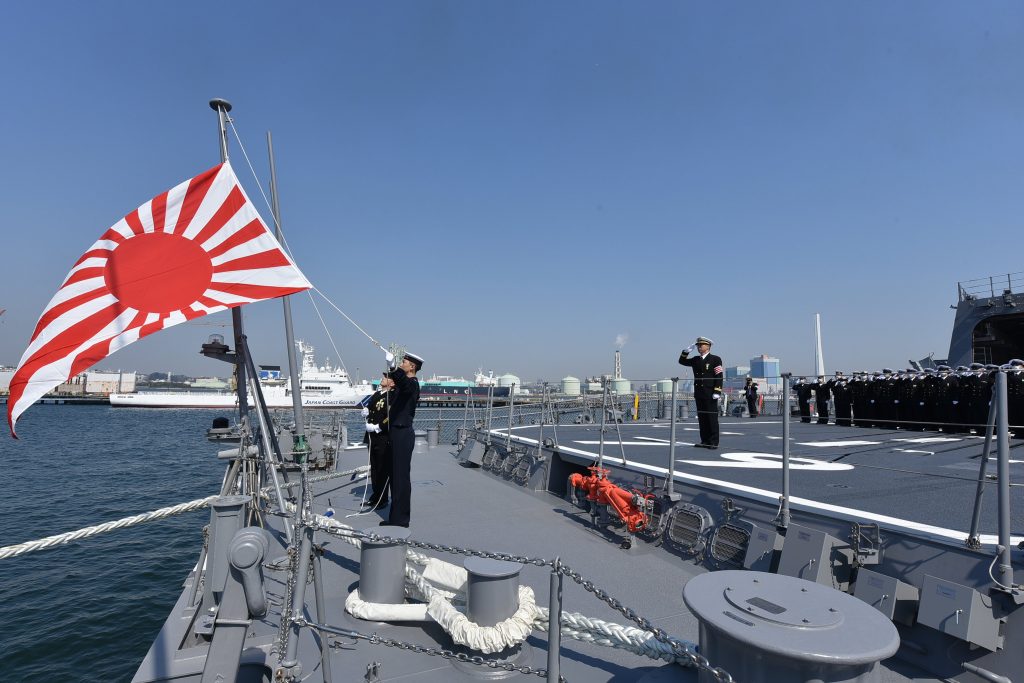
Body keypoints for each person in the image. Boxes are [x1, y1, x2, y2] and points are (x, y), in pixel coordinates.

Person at [380, 350, 423, 527]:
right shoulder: (404, 383)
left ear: (412, 367)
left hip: (403, 433)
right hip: (396, 433)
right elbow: (398, 383)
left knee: (400, 478)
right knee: (395, 476)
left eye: (403, 362)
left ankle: (400, 520)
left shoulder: (412, 384)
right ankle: (396, 517)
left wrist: (392, 367)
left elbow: (404, 384)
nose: (401, 364)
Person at [678, 336, 723, 448]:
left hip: (710, 393)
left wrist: (717, 390)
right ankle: (704, 440)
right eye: (698, 345)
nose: (699, 347)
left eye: (701, 345)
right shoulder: (695, 360)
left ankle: (713, 442)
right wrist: (685, 352)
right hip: (699, 393)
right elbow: (682, 361)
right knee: (702, 418)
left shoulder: (715, 359)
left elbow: (719, 376)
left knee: (711, 418)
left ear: (708, 346)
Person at [361, 375, 393, 511]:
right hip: (371, 436)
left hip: (383, 437)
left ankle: (383, 498)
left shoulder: (391, 396)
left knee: (382, 468)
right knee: (374, 467)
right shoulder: (376, 394)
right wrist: (366, 412)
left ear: (392, 383)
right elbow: (372, 411)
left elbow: (390, 415)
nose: (382, 379)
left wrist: (378, 427)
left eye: (386, 377)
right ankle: (376, 494)